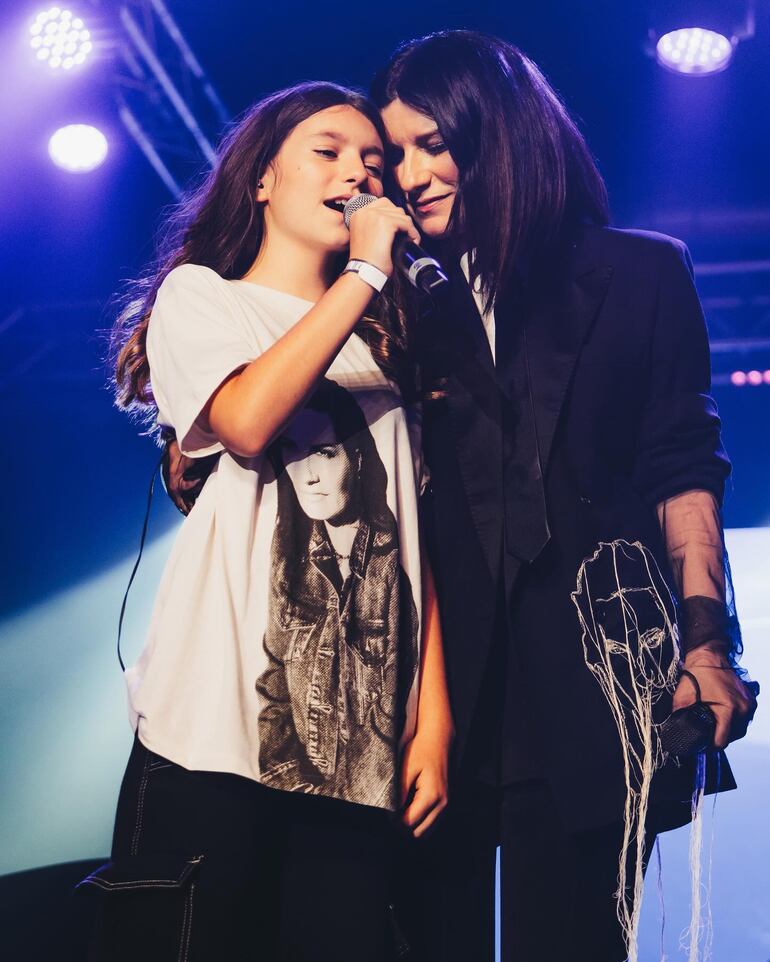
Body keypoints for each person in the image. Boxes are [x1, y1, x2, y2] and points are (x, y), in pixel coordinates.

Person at [162, 31, 758, 962]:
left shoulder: (641, 273)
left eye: (432, 144)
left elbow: (682, 465)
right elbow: (281, 416)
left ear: (503, 136)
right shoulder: (393, 305)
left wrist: (706, 638)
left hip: (592, 693)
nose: (409, 173)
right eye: (392, 154)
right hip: (425, 700)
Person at [81, 81, 452, 962]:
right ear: (262, 180)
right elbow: (246, 420)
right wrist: (364, 270)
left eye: (371, 162)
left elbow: (412, 544)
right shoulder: (202, 298)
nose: (359, 174)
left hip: (356, 751)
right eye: (328, 152)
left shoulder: (384, 349)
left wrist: (431, 716)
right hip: (211, 737)